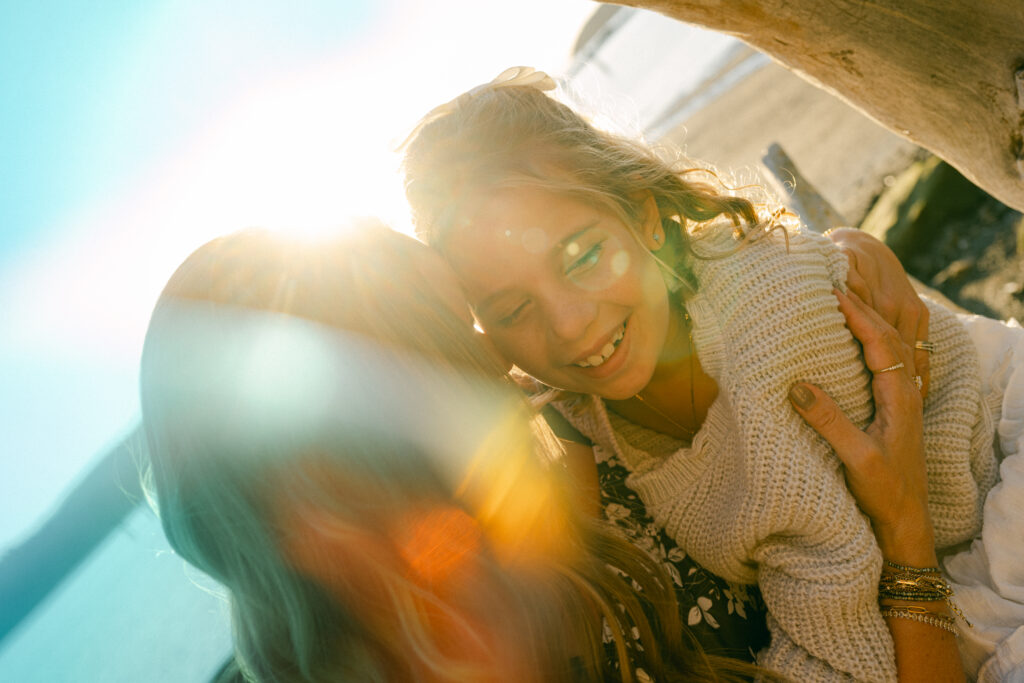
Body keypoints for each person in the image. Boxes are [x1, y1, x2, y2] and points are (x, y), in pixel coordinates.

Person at [401, 67, 1020, 681]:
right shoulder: (580, 420)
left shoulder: (769, 328)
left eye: (584, 255)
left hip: (1003, 483)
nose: (568, 325)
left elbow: (842, 626)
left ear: (643, 215)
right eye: (512, 308)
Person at [139, 223, 781, 682]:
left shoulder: (571, 461)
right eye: (460, 336)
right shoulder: (492, 629)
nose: (503, 359)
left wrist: (826, 261)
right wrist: (890, 549)